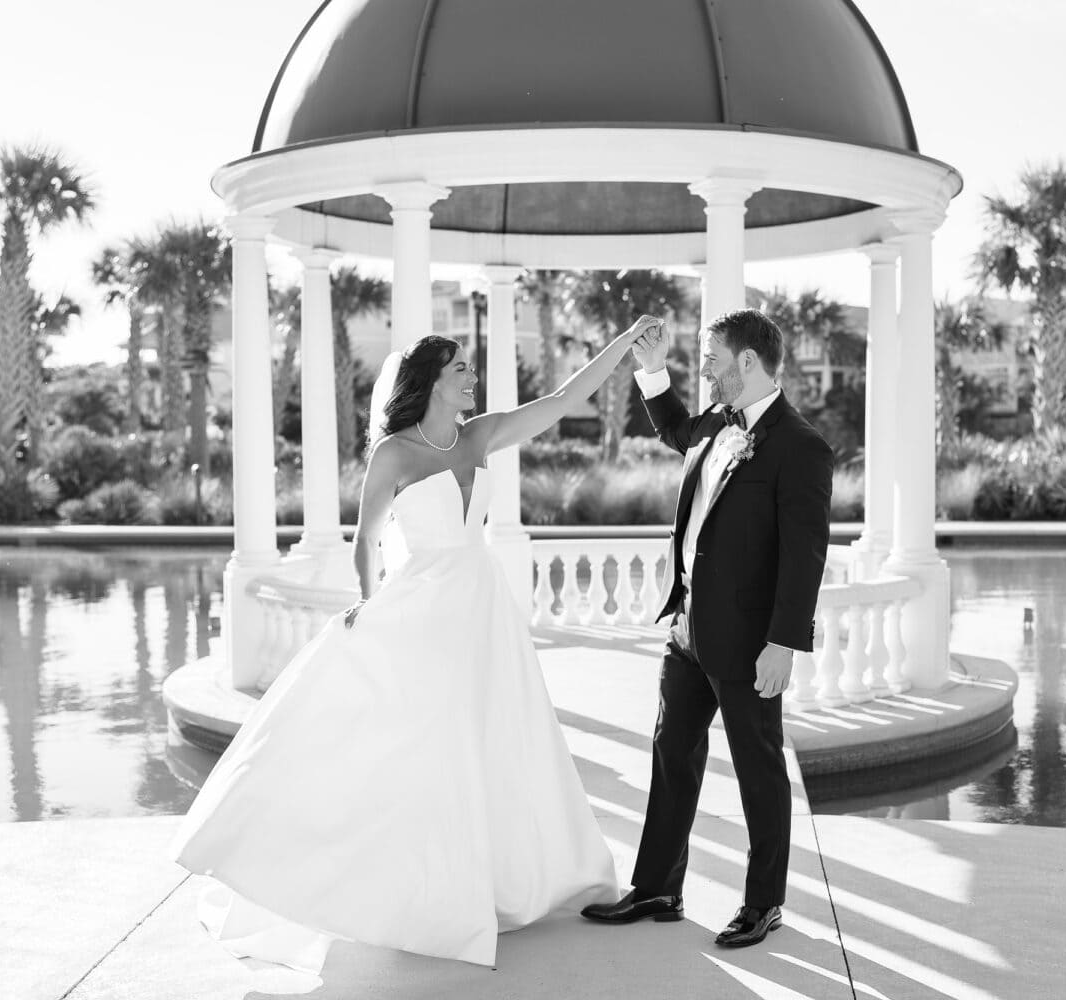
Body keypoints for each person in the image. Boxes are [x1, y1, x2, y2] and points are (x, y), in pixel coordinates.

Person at [168, 315, 664, 971]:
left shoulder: (480, 434)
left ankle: (500, 885)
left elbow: (566, 400)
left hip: (480, 607)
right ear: (430, 379)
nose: (471, 376)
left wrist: (624, 344)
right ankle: (417, 897)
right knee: (424, 745)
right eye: (459, 368)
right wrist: (368, 609)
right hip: (420, 610)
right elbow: (365, 542)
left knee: (495, 736)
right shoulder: (394, 453)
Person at [580, 308, 833, 948]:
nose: (707, 371)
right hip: (688, 631)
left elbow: (805, 557)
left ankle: (763, 904)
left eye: (712, 358)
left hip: (751, 644)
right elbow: (672, 428)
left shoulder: (801, 447)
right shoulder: (717, 422)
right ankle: (659, 887)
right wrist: (652, 368)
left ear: (747, 362)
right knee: (672, 756)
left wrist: (784, 643)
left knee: (758, 770)